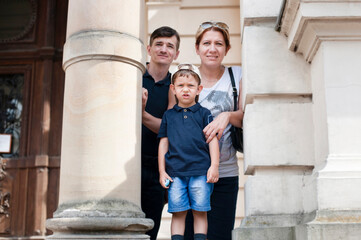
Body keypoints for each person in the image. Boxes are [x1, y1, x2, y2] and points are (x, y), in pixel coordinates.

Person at [184, 21, 243, 240]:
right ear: (197, 48)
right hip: (189, 173)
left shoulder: (237, 75)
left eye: (219, 43)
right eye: (206, 43)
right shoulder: (185, 75)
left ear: (227, 49)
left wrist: (226, 115)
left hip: (226, 173)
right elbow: (172, 120)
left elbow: (246, 115)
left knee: (220, 235)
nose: (212, 48)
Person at [158, 64, 220, 240]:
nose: (185, 90)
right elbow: (163, 144)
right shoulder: (168, 116)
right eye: (180, 85)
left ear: (199, 89)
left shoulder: (204, 113)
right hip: (175, 174)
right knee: (178, 212)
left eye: (191, 85)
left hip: (201, 172)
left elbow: (212, 140)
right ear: (173, 89)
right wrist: (162, 171)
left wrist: (214, 166)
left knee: (200, 212)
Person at [141, 26, 180, 240]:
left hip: (158, 171)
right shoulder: (133, 75)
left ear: (176, 54)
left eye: (170, 46)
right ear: (149, 48)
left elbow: (169, 129)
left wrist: (141, 115)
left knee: (149, 234)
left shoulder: (176, 85)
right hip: (128, 168)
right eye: (159, 44)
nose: (164, 49)